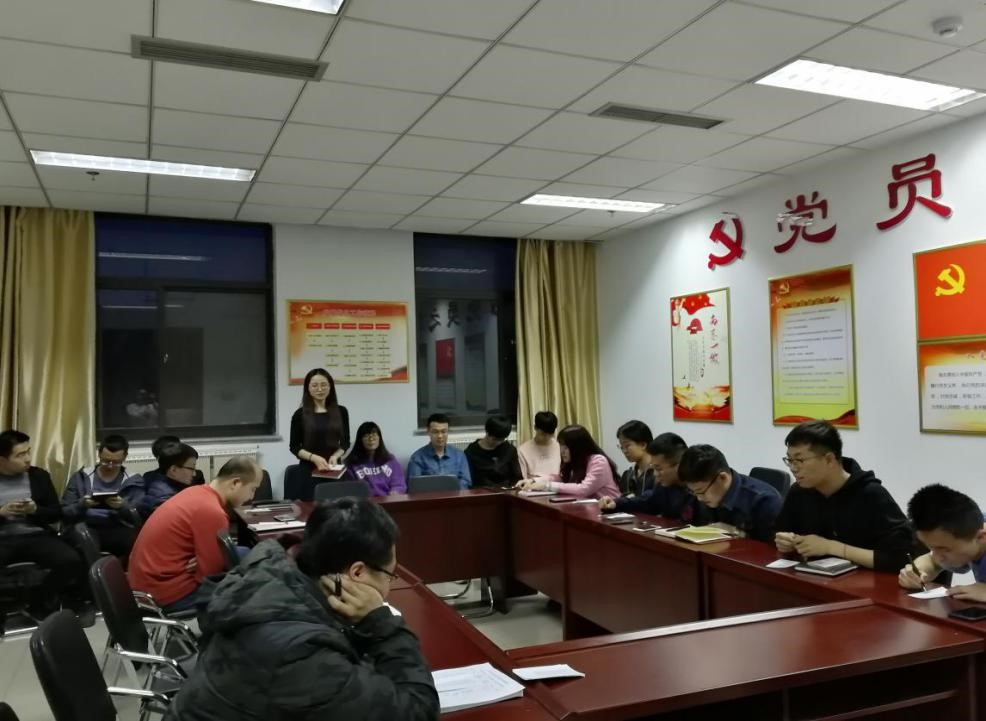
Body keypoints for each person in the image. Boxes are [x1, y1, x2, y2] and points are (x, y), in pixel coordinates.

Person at [162, 498, 440, 721]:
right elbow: (418, 710)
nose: (389, 585)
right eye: (389, 575)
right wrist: (381, 622)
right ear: (357, 573)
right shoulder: (300, 653)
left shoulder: (275, 574)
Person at [773, 420, 913, 571]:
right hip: (812, 578)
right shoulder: (799, 492)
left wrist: (830, 547)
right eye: (790, 460)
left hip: (864, 581)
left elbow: (903, 557)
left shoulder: (871, 494)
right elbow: (780, 531)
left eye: (799, 460)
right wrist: (785, 541)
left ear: (829, 459)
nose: (793, 468)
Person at [128, 456, 261, 614]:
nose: (251, 497)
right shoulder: (212, 511)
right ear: (236, 483)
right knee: (252, 587)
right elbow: (210, 577)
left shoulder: (196, 491)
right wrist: (209, 558)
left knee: (244, 552)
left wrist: (204, 556)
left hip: (144, 582)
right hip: (163, 593)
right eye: (252, 489)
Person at [0, 430, 93, 625]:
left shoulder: (39, 476)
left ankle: (38, 602)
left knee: (71, 560)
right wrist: (2, 512)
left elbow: (55, 513)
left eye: (28, 451)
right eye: (20, 455)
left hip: (35, 535)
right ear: (2, 459)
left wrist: (35, 510)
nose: (28, 458)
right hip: (3, 537)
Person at [899, 484, 986, 602]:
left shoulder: (969, 531)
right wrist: (918, 572)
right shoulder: (970, 530)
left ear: (981, 537)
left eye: (945, 549)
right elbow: (932, 562)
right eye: (932, 547)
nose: (937, 557)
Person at [62, 434, 144, 559]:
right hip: (84, 525)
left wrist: (123, 506)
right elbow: (64, 511)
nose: (110, 465)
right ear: (99, 454)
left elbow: (138, 516)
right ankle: (96, 570)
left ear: (125, 457)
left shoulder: (134, 480)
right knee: (83, 538)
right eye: (105, 461)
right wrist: (82, 505)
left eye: (116, 462)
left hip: (117, 526)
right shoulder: (81, 477)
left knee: (138, 541)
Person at [678, 444, 781, 542]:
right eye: (693, 492)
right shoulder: (702, 493)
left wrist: (738, 533)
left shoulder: (765, 501)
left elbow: (774, 549)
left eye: (701, 491)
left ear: (722, 478)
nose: (699, 498)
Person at [599, 432, 707, 524]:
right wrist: (616, 503)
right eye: (653, 468)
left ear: (679, 465)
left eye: (659, 469)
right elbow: (645, 502)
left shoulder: (702, 490)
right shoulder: (663, 486)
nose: (655, 474)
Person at [517, 425, 620, 499]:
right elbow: (561, 478)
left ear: (577, 448)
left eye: (566, 447)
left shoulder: (598, 461)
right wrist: (533, 481)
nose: (562, 451)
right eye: (561, 446)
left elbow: (584, 489)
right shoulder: (576, 461)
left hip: (611, 512)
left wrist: (547, 485)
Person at [290, 368, 351, 473]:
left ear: (330, 386)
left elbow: (345, 443)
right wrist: (314, 458)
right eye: (314, 385)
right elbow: (294, 447)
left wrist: (335, 456)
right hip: (308, 469)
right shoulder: (299, 415)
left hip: (333, 467)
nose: (320, 389)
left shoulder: (341, 411)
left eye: (323, 385)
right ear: (308, 388)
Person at [136, 442, 199, 520]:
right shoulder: (166, 501)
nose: (194, 474)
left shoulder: (152, 477)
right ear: (173, 470)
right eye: (192, 468)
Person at [407, 413, 471, 489]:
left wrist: (452, 492)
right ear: (428, 431)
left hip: (455, 495)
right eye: (435, 432)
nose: (440, 436)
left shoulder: (459, 455)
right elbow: (414, 486)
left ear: (448, 432)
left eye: (443, 431)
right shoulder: (417, 458)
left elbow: (466, 481)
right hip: (429, 496)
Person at [346, 422, 406, 497]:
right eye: (366, 436)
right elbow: (350, 489)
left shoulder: (390, 460)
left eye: (374, 435)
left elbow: (399, 483)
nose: (371, 439)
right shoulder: (352, 464)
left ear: (379, 438)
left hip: (388, 500)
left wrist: (395, 492)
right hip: (365, 502)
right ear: (360, 440)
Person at [464, 415, 522, 488]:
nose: (498, 442)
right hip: (482, 491)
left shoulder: (509, 450)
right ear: (487, 432)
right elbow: (469, 480)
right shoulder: (471, 451)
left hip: (506, 490)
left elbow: (517, 477)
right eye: (495, 439)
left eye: (501, 440)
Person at [615, 420, 656, 497]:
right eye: (621, 447)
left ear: (643, 445)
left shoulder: (658, 475)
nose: (624, 451)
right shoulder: (627, 476)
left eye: (627, 446)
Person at [516, 411, 561, 480]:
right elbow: (523, 479)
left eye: (551, 434)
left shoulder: (560, 446)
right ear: (535, 428)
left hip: (558, 485)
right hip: (533, 485)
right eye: (543, 434)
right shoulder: (522, 450)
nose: (547, 437)